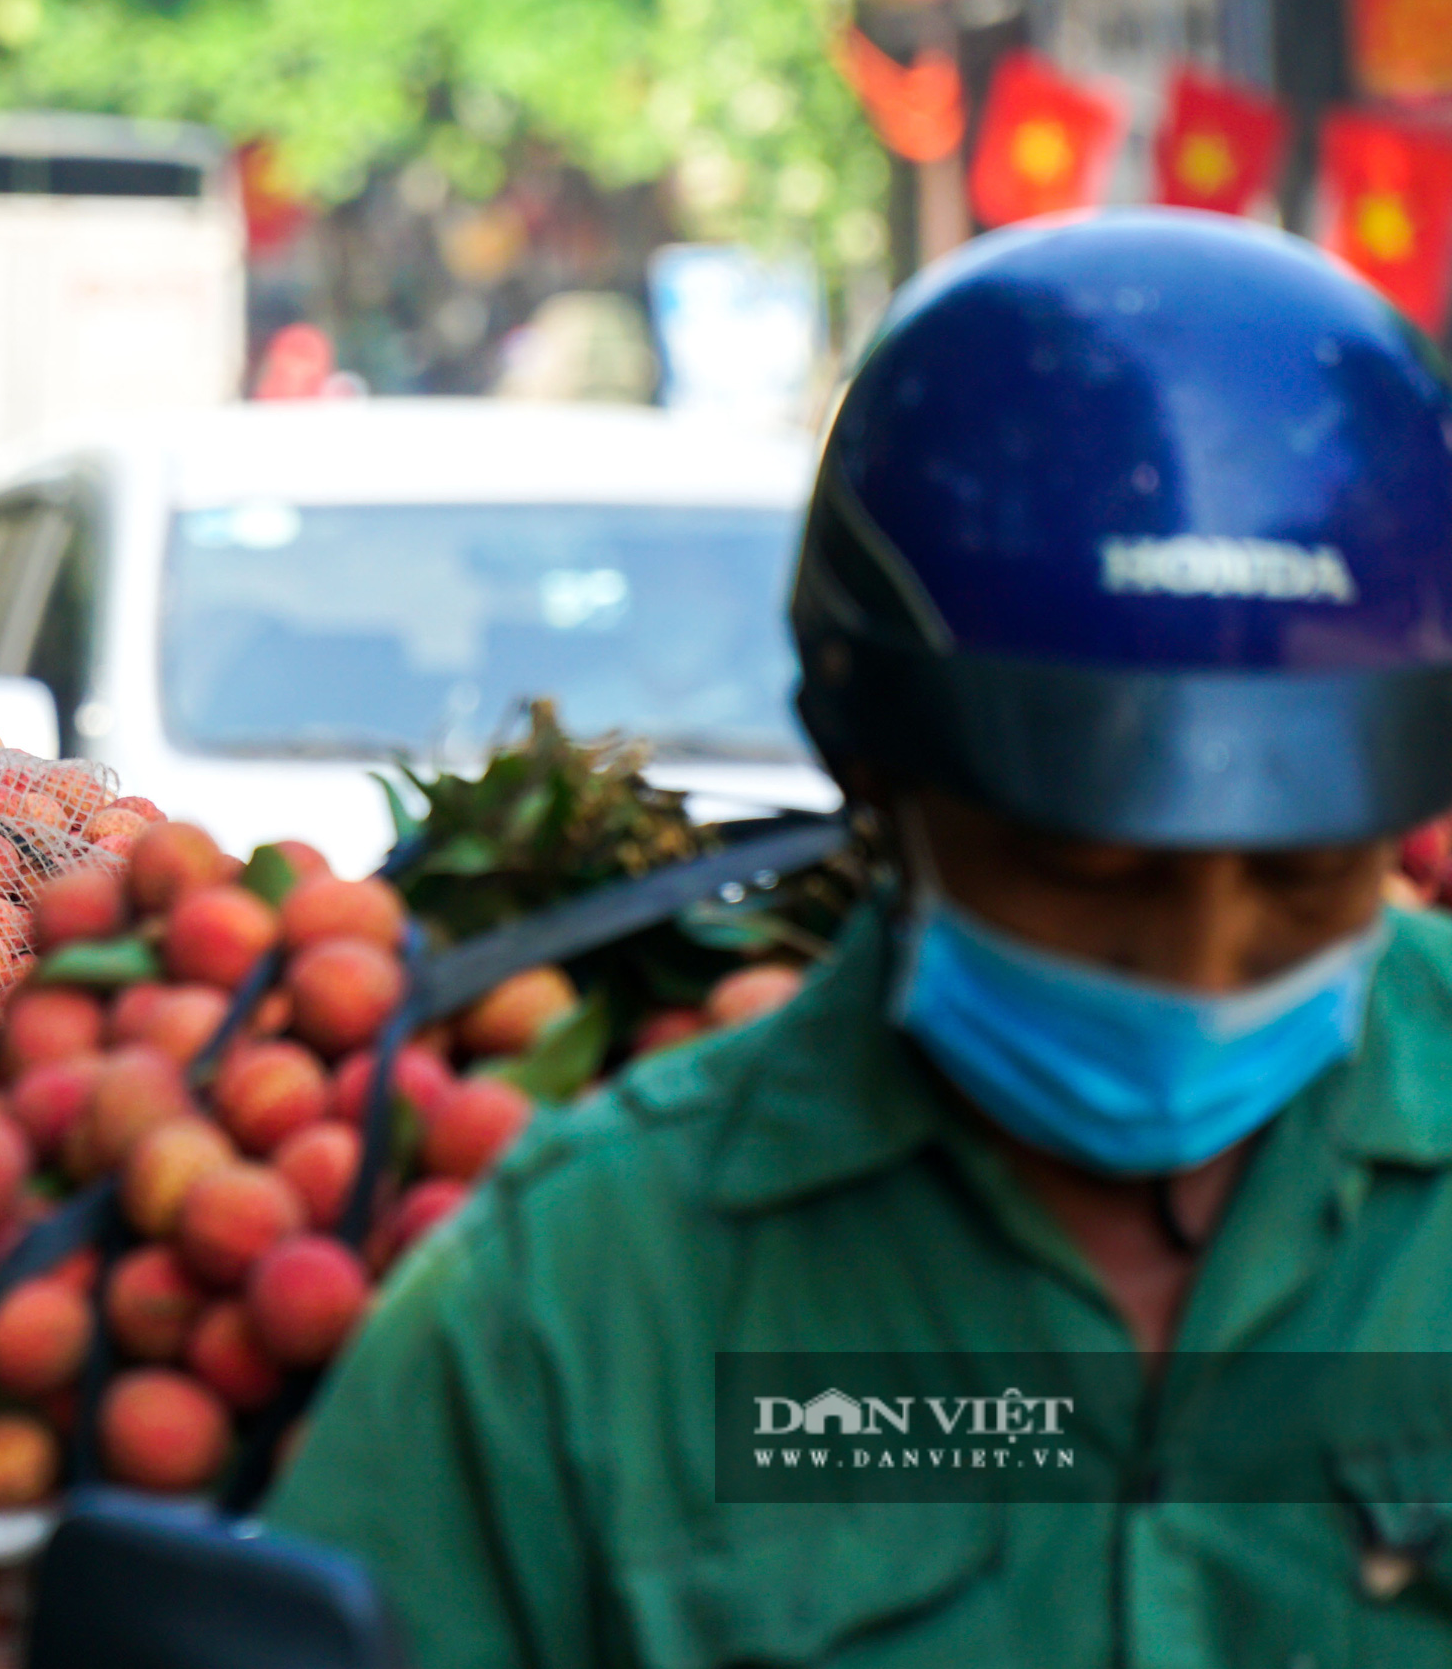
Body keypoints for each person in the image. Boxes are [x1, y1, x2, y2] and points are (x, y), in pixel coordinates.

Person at [266, 211, 1452, 1663]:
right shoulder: (583, 1298)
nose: (1205, 963)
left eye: (1305, 874)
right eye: (1083, 871)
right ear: (875, 779)